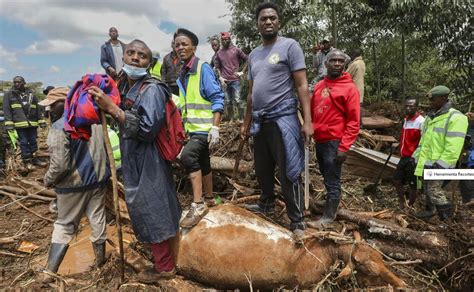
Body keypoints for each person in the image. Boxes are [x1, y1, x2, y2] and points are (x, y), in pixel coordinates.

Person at [90, 39, 181, 283]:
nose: (135, 58)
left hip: (149, 159)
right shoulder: (122, 86)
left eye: (141, 56)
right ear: (123, 57)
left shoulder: (151, 89)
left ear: (149, 63)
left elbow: (148, 128)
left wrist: (114, 110)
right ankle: (163, 258)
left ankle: (165, 267)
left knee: (153, 207)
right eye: (130, 53)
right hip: (133, 157)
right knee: (144, 205)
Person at [241, 2, 313, 239]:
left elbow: (302, 85)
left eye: (272, 18)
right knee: (262, 169)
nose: (268, 21)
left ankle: (297, 220)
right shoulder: (253, 55)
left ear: (278, 22)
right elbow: (251, 93)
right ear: (258, 24)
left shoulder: (289, 46)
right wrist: (245, 122)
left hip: (284, 118)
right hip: (261, 121)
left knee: (289, 170)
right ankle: (266, 204)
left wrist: (308, 121)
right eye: (263, 19)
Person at [38, 87, 111, 284]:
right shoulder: (95, 120)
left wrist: (48, 179)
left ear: (65, 103)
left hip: (72, 186)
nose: (49, 110)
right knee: (97, 220)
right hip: (99, 181)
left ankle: (49, 273)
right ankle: (101, 262)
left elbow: (59, 165)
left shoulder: (60, 126)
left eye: (53, 105)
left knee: (64, 225)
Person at [173, 28, 224, 228]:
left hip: (205, 129)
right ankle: (210, 197)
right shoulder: (183, 73)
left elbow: (217, 96)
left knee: (188, 157)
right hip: (194, 129)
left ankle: (198, 203)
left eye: (184, 44)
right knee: (203, 161)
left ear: (193, 47)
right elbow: (188, 103)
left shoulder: (202, 68)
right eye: (177, 45)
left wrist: (216, 127)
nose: (180, 47)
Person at [309, 49, 360, 228]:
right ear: (326, 63)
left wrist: (344, 146)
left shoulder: (349, 88)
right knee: (326, 175)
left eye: (340, 61)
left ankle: (328, 218)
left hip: (334, 141)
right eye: (333, 60)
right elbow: (313, 110)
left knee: (332, 180)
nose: (337, 63)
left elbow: (354, 121)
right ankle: (329, 206)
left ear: (344, 64)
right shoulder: (319, 85)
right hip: (320, 140)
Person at [413, 86, 468, 220]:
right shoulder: (430, 117)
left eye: (433, 99)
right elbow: (424, 141)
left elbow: (453, 147)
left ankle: (447, 219)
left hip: (441, 164)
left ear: (444, 98)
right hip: (427, 161)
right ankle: (430, 211)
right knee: (427, 189)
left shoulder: (456, 117)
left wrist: (441, 165)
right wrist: (416, 157)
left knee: (434, 191)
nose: (430, 102)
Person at [3, 76, 47, 170]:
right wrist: (9, 124)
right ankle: (27, 161)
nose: (16, 84)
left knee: (33, 141)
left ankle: (34, 158)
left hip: (32, 123)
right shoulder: (9, 94)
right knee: (23, 142)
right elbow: (7, 110)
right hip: (19, 124)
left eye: (19, 82)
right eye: (15, 82)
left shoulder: (31, 94)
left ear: (24, 83)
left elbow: (38, 109)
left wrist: (41, 121)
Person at [392, 98, 424, 209]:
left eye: (411, 106)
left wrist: (416, 156)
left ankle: (410, 206)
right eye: (406, 106)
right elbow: (406, 138)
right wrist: (398, 144)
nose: (408, 108)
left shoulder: (421, 121)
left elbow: (423, 141)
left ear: (417, 107)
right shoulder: (406, 120)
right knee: (397, 180)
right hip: (404, 156)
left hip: (413, 158)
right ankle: (402, 203)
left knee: (412, 184)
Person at [214, 31, 248, 121]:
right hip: (225, 81)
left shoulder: (236, 50)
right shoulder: (219, 53)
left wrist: (242, 72)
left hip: (235, 80)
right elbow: (217, 67)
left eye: (226, 39)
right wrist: (220, 77)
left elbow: (247, 60)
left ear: (229, 39)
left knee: (238, 100)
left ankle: (241, 119)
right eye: (222, 40)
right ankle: (231, 120)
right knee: (228, 102)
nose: (224, 41)